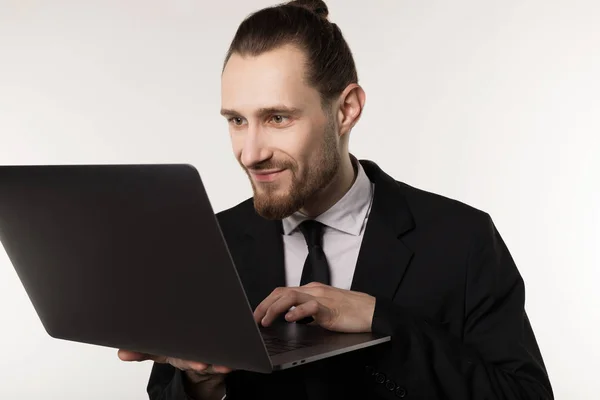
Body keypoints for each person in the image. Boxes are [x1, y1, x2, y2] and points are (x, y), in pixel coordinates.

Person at [118, 0, 554, 399]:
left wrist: (381, 322)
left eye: (277, 117)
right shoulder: (211, 241)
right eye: (236, 120)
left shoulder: (462, 239)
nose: (250, 153)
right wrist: (200, 381)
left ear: (346, 110)